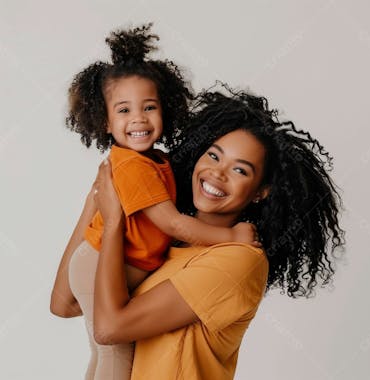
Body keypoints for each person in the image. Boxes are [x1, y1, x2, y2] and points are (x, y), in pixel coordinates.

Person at [89, 87, 345, 379]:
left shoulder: (238, 260)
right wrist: (99, 196)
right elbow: (65, 303)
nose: (218, 173)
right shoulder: (167, 241)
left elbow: (110, 329)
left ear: (261, 192)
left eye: (240, 171)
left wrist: (113, 223)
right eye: (213, 155)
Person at [50, 26, 258, 380]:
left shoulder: (155, 164)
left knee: (105, 357)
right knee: (114, 358)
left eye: (149, 107)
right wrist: (234, 237)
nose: (139, 119)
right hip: (99, 258)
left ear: (166, 109)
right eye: (124, 110)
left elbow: (93, 318)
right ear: (105, 120)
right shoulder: (132, 166)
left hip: (104, 257)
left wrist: (109, 216)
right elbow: (173, 223)